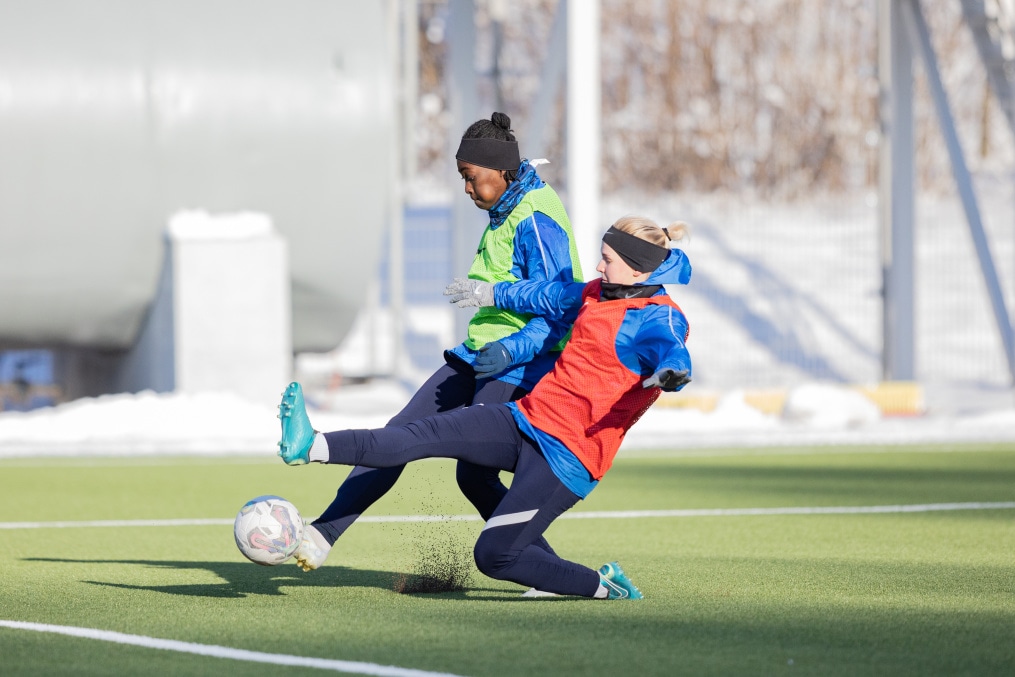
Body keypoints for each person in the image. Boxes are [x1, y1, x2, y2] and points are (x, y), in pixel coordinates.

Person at [278, 216, 692, 599]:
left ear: (638, 270)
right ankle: (310, 445)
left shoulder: (659, 317)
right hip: (522, 419)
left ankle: (603, 586)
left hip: (566, 459)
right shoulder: (593, 294)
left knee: (494, 557)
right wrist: (488, 292)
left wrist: (672, 373)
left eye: (607, 260)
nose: (599, 268)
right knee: (419, 433)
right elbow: (542, 294)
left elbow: (673, 351)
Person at [288, 112, 584, 572]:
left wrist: (510, 350)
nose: (467, 189)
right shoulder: (506, 204)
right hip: (479, 357)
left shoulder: (537, 220)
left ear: (501, 170)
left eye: (471, 178)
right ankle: (325, 532)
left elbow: (565, 309)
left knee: (474, 474)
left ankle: (545, 569)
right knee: (400, 429)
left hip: (518, 365)